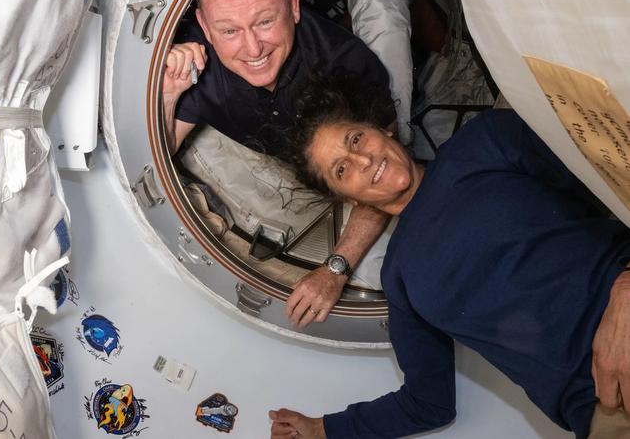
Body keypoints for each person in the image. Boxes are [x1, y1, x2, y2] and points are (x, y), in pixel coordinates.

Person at [268, 72, 630, 438]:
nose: (362, 160)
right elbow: (427, 402)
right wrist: (323, 429)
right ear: (347, 198)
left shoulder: (483, 141)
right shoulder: (399, 277)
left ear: (382, 129)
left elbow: (617, 178)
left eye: (356, 139)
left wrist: (626, 286)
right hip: (603, 408)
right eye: (341, 169)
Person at [162, 0, 398, 326]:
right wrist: (168, 92)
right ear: (205, 28)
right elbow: (161, 151)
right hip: (266, 159)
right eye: (229, 31)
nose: (253, 48)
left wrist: (336, 268)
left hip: (342, 174)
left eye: (265, 21)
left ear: (293, 4)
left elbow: (386, 174)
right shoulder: (196, 63)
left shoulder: (346, 65)